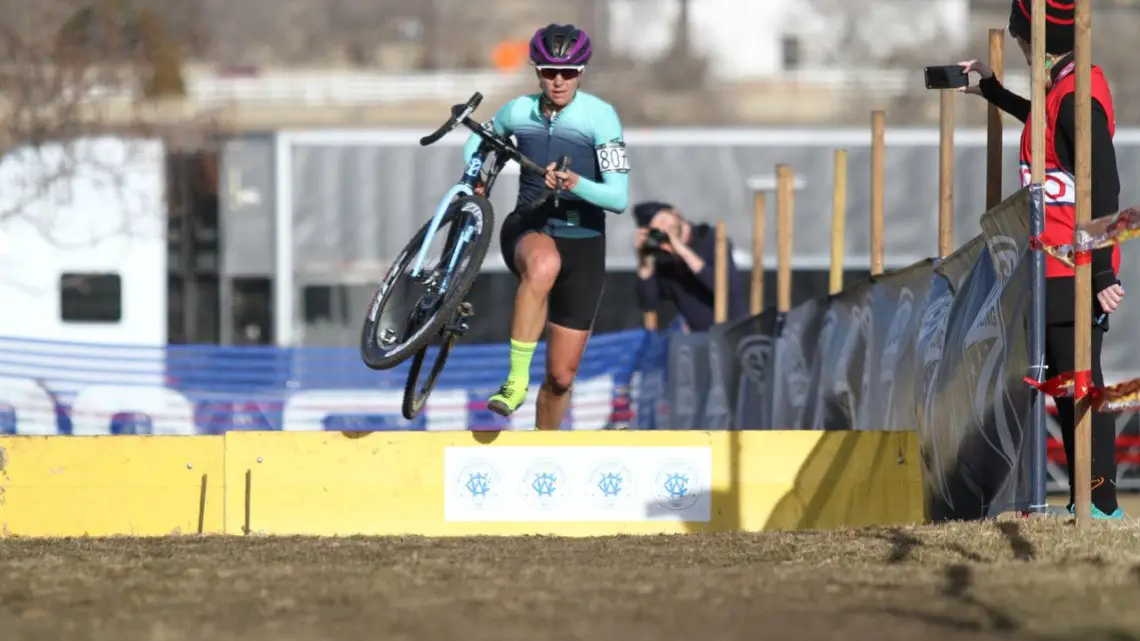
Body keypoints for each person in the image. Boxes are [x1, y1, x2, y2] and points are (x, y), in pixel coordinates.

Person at [958, 0, 1125, 519]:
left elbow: (1106, 188)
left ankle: (1100, 502)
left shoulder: (1080, 94)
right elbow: (1042, 123)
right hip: (1047, 261)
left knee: (1081, 383)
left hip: (1074, 265)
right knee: (1061, 383)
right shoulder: (1059, 92)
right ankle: (1082, 497)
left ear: (1044, 44)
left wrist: (1099, 272)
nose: (1020, 48)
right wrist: (989, 88)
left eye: (1024, 41)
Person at [461, 24, 630, 428]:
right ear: (537, 70)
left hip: (585, 243)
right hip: (531, 227)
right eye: (549, 71)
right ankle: (515, 382)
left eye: (568, 73)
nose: (558, 81)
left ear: (582, 72)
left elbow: (619, 198)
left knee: (560, 378)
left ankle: (545, 444)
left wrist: (576, 183)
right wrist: (475, 172)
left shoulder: (600, 117)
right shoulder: (519, 111)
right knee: (543, 266)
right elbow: (479, 143)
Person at [634, 201, 748, 332]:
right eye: (656, 230)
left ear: (675, 214)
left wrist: (682, 251)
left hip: (732, 332)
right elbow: (649, 304)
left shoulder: (710, 238)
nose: (663, 230)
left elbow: (724, 288)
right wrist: (645, 263)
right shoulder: (663, 260)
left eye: (663, 221)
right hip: (697, 338)